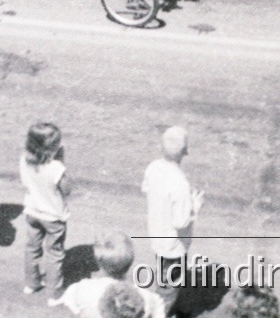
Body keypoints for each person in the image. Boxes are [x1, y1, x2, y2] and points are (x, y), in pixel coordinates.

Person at [142, 126, 203, 313]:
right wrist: (195, 206)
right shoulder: (180, 183)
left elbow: (146, 190)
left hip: (157, 235)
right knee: (168, 290)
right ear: (185, 152)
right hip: (173, 246)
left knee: (164, 278)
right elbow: (181, 222)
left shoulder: (153, 167)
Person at [51, 231, 164, 318]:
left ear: (98, 262)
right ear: (130, 263)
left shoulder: (79, 289)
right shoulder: (147, 297)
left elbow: (68, 306)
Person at [20, 122, 70, 299]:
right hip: (53, 216)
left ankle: (31, 284)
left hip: (32, 211)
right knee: (55, 253)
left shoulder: (25, 160)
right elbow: (66, 190)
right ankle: (54, 293)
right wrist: (62, 162)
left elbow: (26, 183)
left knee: (32, 248)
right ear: (52, 149)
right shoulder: (56, 168)